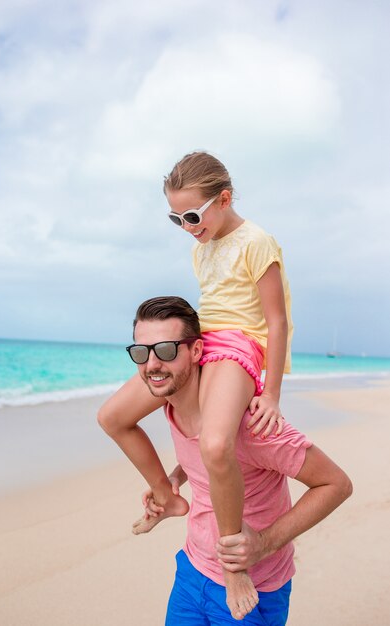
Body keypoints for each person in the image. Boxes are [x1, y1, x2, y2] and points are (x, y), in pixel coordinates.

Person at [98, 151, 294, 619]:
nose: (187, 226)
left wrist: (270, 392)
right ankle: (166, 499)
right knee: (112, 417)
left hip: (241, 348)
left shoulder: (257, 241)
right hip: (203, 342)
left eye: (192, 215)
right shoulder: (199, 247)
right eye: (175, 218)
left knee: (216, 442)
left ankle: (233, 566)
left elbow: (277, 320)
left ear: (223, 199)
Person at [104, 296, 352, 625]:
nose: (152, 365)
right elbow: (200, 454)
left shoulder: (252, 426)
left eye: (165, 350)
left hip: (254, 589)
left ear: (195, 351)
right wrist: (175, 479)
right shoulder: (171, 402)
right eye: (141, 352)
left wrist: (264, 544)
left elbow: (336, 484)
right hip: (192, 571)